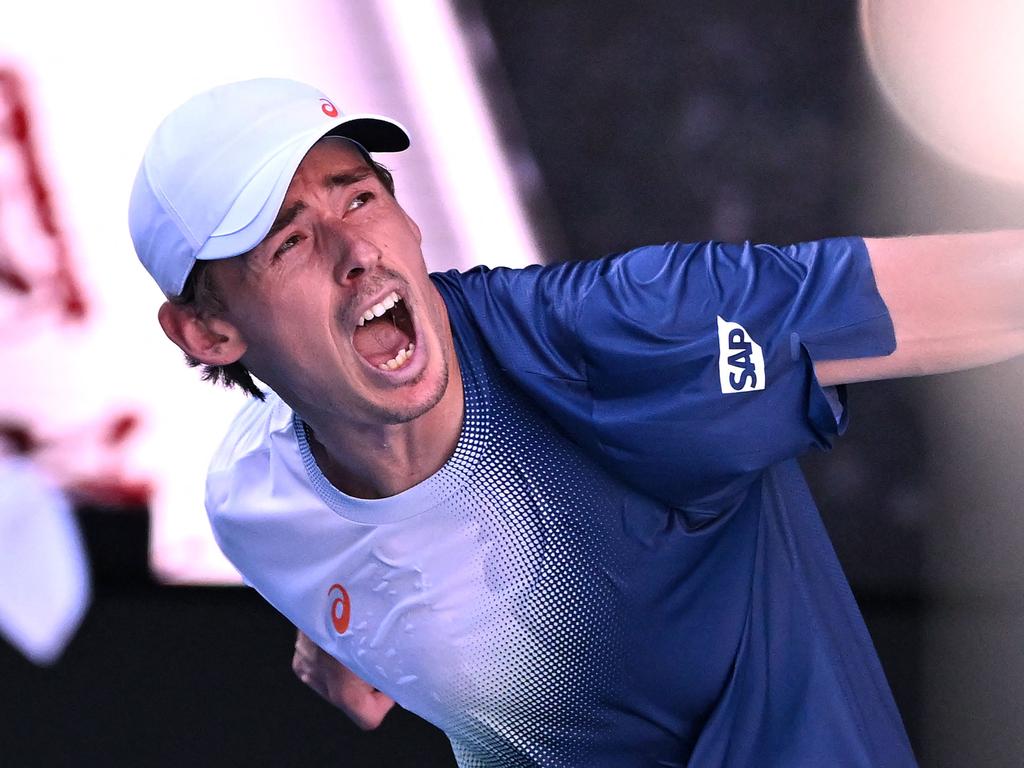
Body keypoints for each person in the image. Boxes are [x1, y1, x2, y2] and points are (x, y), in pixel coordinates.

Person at [128, 77, 1024, 767]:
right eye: (289, 240)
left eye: (360, 196)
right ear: (209, 331)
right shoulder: (253, 503)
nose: (357, 252)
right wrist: (348, 651)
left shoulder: (618, 335)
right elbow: (358, 599)